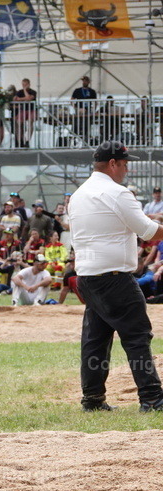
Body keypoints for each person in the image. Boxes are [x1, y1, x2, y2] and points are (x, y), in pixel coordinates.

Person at [70, 141, 163, 412]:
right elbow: (148, 232)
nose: (127, 169)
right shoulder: (117, 192)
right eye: (124, 164)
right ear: (113, 164)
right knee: (137, 336)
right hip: (115, 278)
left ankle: (93, 400)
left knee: (95, 340)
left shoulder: (79, 194)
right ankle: (152, 399)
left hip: (87, 277)